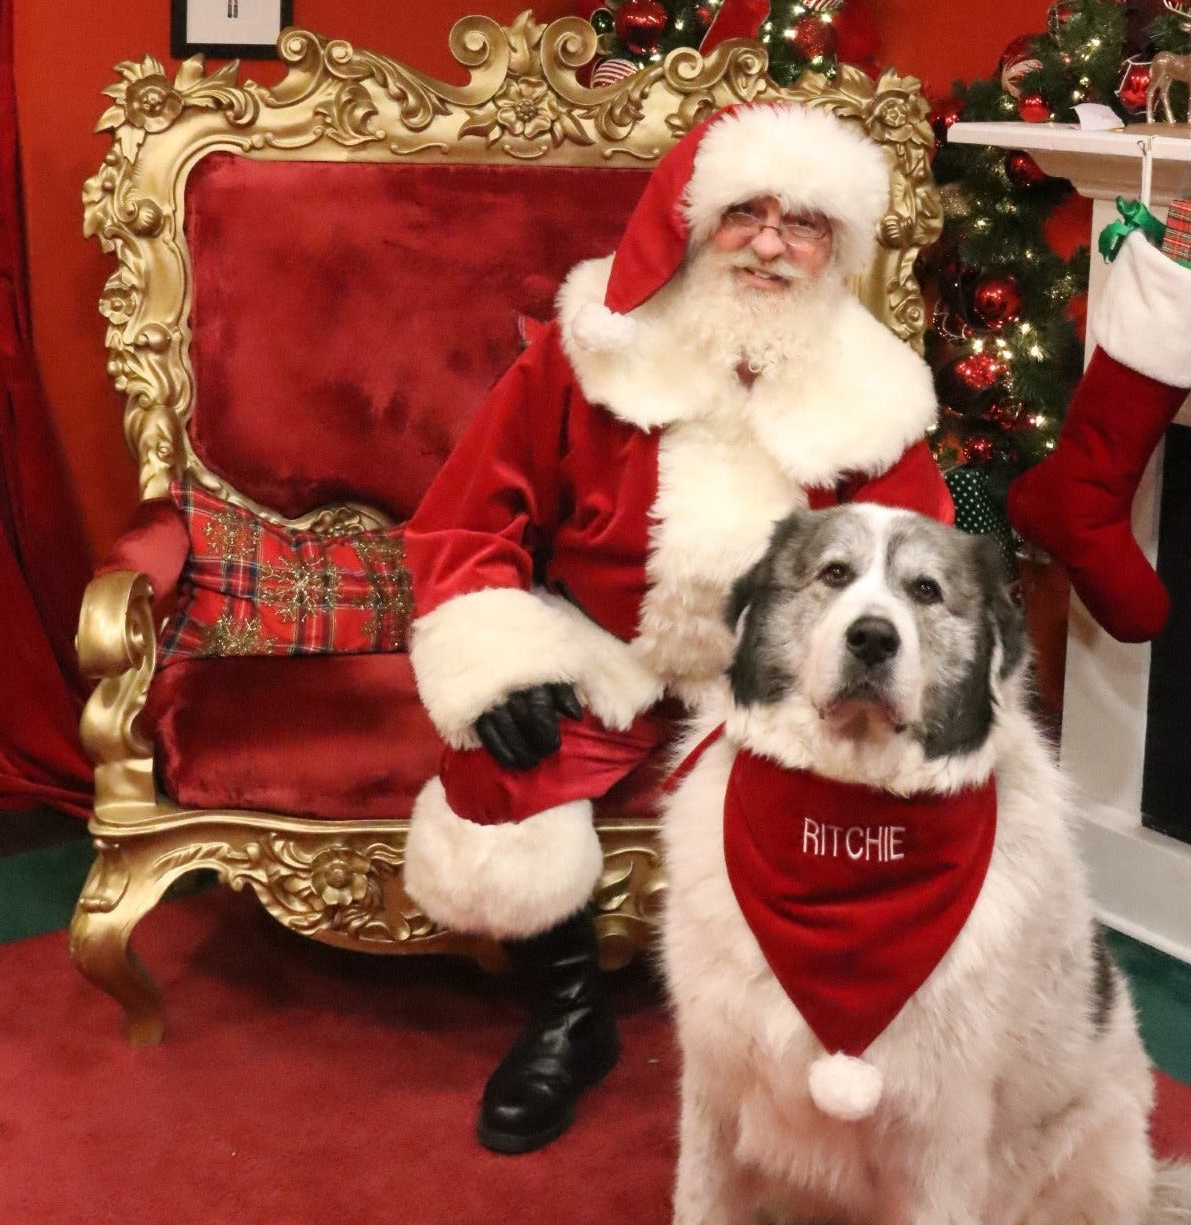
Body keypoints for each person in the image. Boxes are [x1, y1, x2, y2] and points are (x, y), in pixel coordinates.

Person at [401, 100, 955, 1155]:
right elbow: (469, 516)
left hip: (779, 670)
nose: (769, 243)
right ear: (696, 221)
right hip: (609, 640)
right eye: (746, 211)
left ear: (833, 248)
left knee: (854, 797)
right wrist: (495, 659)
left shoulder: (872, 392)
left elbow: (919, 556)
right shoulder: (594, 351)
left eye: (803, 224)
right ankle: (570, 1018)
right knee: (503, 770)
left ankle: (814, 1034)